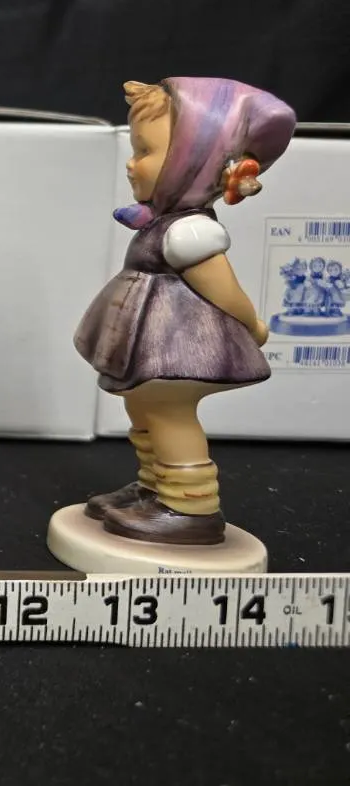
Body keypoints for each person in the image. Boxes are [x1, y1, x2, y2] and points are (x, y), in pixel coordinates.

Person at [74, 78, 295, 544]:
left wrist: (251, 322)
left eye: (144, 151)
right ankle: (154, 487)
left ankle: (190, 505)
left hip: (180, 344)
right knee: (143, 404)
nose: (131, 163)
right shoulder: (167, 223)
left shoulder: (190, 231)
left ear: (194, 166)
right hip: (154, 338)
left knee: (169, 411)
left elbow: (222, 288)